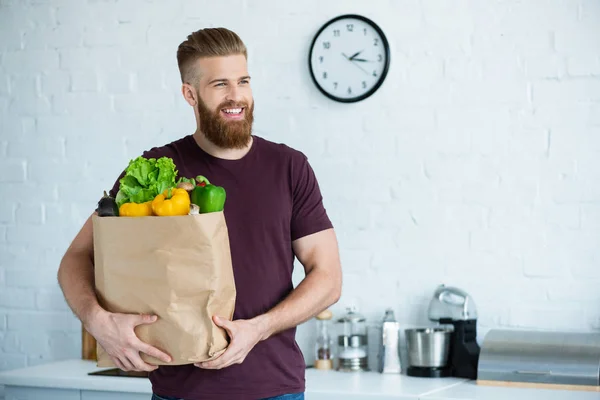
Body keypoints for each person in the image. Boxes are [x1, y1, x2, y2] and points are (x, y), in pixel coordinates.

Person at [57, 27, 342, 400]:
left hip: (275, 389)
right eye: (220, 84)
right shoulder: (157, 168)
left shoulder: (289, 167)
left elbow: (328, 277)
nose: (236, 96)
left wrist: (259, 328)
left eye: (243, 81)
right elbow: (76, 259)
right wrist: (98, 322)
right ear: (190, 94)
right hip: (179, 392)